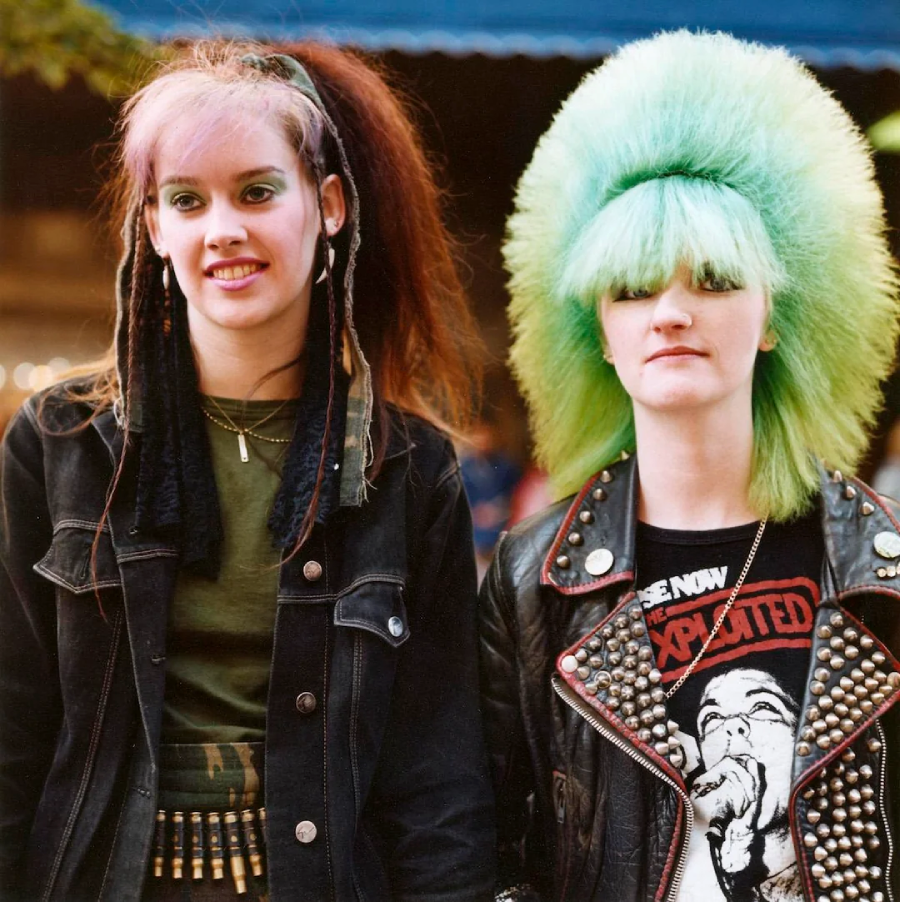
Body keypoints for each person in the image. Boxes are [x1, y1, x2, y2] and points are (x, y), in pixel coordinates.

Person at [0, 41, 495, 902]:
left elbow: (437, 777)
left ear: (329, 205)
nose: (222, 228)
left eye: (257, 192)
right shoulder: (61, 446)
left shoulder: (407, 471)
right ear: (155, 227)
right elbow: (9, 735)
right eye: (187, 200)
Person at [480, 30, 900, 902]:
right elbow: (487, 845)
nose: (670, 313)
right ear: (597, 332)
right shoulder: (534, 584)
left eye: (712, 278)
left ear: (778, 315)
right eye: (633, 287)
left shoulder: (879, 566)